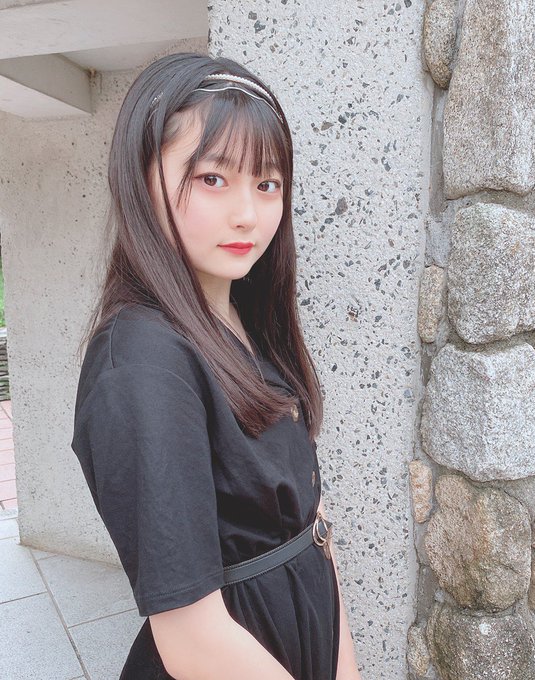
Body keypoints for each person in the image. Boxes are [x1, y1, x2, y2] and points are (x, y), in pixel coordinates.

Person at [69, 52, 361, 680]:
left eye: (267, 184)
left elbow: (313, 524)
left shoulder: (244, 322)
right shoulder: (141, 362)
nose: (247, 214)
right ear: (142, 179)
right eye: (212, 178)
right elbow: (192, 636)